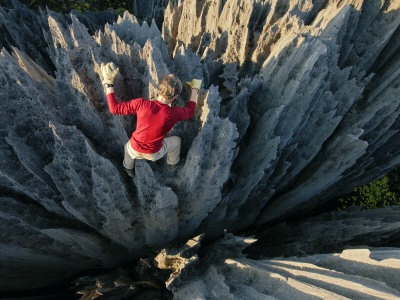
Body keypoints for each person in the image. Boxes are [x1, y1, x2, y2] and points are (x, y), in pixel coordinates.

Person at [101, 62, 201, 176]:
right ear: (175, 97)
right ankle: (173, 164)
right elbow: (190, 112)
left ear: (159, 89)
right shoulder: (174, 113)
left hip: (135, 148)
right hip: (154, 153)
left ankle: (128, 169)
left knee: (127, 149)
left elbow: (114, 109)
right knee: (176, 141)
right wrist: (194, 89)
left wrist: (109, 83)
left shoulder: (141, 104)